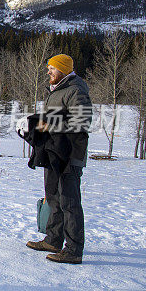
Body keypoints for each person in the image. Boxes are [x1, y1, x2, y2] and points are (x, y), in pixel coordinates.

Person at [26, 54, 92, 264]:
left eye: (52, 68)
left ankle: (73, 250)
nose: (48, 72)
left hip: (70, 154)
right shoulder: (59, 90)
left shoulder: (76, 90)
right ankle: (53, 240)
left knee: (70, 202)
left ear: (63, 69)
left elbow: (81, 121)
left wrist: (47, 125)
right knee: (53, 196)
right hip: (54, 152)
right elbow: (59, 118)